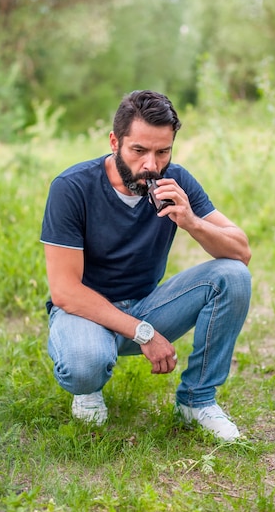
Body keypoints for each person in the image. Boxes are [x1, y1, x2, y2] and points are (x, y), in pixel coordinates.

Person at [40, 90, 251, 441]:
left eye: (162, 151)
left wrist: (192, 222)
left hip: (145, 305)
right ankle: (88, 388)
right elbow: (64, 291)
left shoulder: (176, 181)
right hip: (84, 313)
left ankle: (196, 400)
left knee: (233, 275)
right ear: (114, 142)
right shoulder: (71, 188)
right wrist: (145, 333)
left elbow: (240, 251)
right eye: (139, 151)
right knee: (83, 364)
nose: (151, 165)